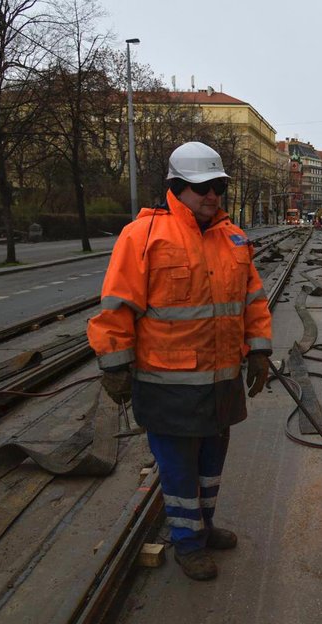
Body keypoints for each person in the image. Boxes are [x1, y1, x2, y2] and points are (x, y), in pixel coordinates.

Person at [87, 141, 272, 581]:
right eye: (201, 187)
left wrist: (260, 348)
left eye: (219, 187)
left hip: (221, 380)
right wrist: (114, 363)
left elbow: (254, 300)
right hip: (168, 384)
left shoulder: (234, 238)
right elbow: (116, 304)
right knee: (177, 468)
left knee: (211, 465)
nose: (212, 195)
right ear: (176, 186)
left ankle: (203, 529)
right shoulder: (144, 235)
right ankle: (186, 543)